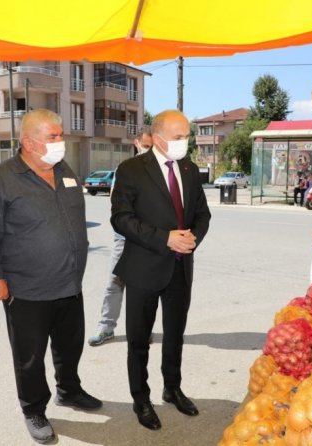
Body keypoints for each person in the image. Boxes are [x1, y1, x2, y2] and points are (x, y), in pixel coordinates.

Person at [0, 109, 101, 445]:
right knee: (29, 357)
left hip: (69, 283)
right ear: (29, 142)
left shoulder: (64, 171)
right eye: (53, 136)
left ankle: (68, 390)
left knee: (70, 345)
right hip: (26, 288)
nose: (61, 142)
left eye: (61, 135)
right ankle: (33, 409)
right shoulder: (1, 178)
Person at [111, 110, 211, 430]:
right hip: (143, 268)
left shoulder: (189, 169)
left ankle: (173, 388)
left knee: (175, 335)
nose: (185, 143)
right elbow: (121, 218)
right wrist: (165, 238)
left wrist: (192, 238)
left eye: (187, 137)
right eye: (178, 137)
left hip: (180, 268)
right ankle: (141, 399)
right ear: (157, 137)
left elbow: (202, 214)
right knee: (139, 340)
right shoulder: (131, 169)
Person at [88, 131, 153, 346]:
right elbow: (117, 204)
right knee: (114, 283)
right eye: (145, 146)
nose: (148, 150)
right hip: (124, 239)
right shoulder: (125, 170)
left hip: (148, 240)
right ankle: (106, 328)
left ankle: (142, 330)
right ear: (136, 143)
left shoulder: (160, 171)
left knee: (143, 288)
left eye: (152, 147)